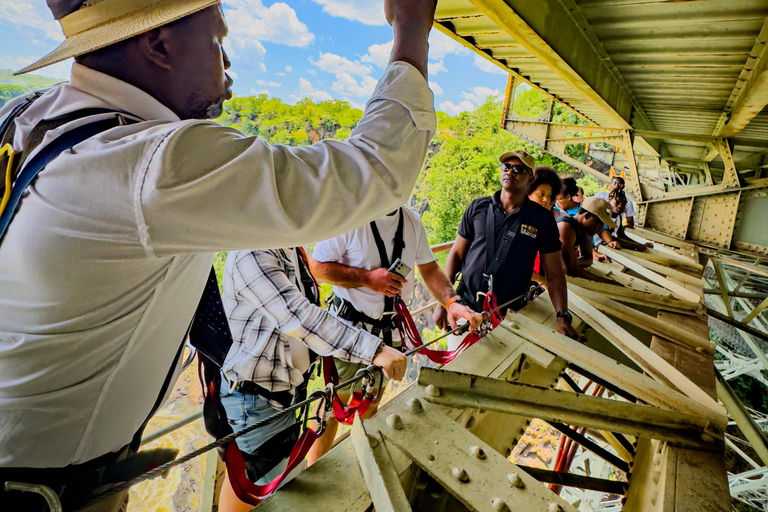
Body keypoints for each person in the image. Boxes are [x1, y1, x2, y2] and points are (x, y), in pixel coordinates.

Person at [0, 0, 438, 509]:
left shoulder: (32, 119)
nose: (227, 63)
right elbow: (374, 173)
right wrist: (411, 28)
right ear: (158, 42)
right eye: (217, 40)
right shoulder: (152, 164)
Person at [216, 247, 407, 512]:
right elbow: (298, 316)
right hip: (256, 399)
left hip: (280, 393)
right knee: (272, 493)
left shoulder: (290, 249)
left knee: (249, 476)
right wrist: (374, 349)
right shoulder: (252, 252)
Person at [306, 207, 482, 464]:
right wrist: (366, 279)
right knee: (333, 406)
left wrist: (451, 301)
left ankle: (357, 464)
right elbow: (318, 268)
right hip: (352, 328)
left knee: (372, 401)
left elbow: (430, 269)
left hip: (390, 331)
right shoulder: (351, 216)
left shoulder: (411, 221)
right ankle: (314, 471)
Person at [434, 151, 577, 339]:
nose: (510, 172)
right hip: (465, 306)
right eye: (506, 167)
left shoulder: (541, 219)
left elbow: (554, 271)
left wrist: (561, 314)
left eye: (518, 169)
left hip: (510, 314)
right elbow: (457, 255)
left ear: (530, 178)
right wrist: (445, 302)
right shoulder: (478, 207)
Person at [557, 197, 616, 283]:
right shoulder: (565, 228)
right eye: (599, 223)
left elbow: (588, 259)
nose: (601, 228)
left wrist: (572, 263)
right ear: (587, 216)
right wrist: (608, 282)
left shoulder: (583, 230)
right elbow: (571, 270)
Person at [527, 166, 562, 284]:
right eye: (541, 194)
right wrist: (539, 280)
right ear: (528, 193)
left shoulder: (547, 227)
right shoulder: (516, 222)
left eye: (549, 196)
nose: (546, 200)